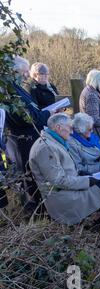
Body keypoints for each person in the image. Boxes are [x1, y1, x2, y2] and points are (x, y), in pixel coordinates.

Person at [28, 113, 100, 234]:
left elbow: (67, 171)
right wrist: (87, 180)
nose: (72, 132)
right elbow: (58, 181)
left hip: (68, 186)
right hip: (62, 196)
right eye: (70, 128)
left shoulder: (53, 142)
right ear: (58, 127)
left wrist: (86, 174)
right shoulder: (46, 148)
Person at [4, 56, 52, 211]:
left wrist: (42, 114)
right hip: (21, 142)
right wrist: (47, 114)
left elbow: (33, 110)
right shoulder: (9, 93)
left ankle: (40, 206)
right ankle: (32, 210)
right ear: (13, 71)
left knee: (34, 173)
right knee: (26, 175)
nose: (27, 75)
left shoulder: (18, 88)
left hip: (31, 138)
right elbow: (26, 118)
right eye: (24, 72)